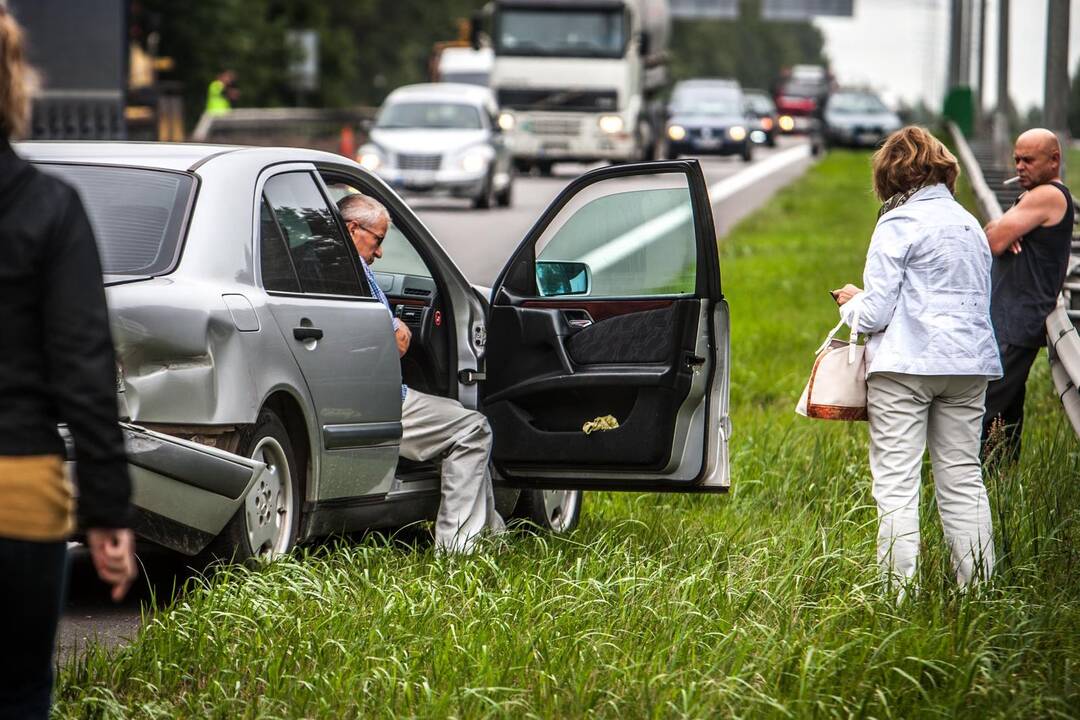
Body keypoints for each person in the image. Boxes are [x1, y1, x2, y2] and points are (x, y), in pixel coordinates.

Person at [0, 8, 137, 718]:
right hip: (18, 493)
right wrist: (108, 512)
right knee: (19, 692)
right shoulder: (49, 209)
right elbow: (85, 373)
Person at [832, 126, 1002, 594]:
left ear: (890, 176)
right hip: (969, 365)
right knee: (964, 480)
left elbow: (877, 311)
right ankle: (978, 590)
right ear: (943, 169)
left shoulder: (898, 223)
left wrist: (849, 302)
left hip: (907, 366)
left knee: (896, 486)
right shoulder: (969, 224)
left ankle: (897, 594)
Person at [337, 193, 505, 553]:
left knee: (463, 418)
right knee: (473, 429)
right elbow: (392, 344)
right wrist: (396, 327)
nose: (380, 252)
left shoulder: (320, 262)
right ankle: (459, 548)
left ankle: (494, 536)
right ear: (353, 230)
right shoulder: (350, 271)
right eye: (378, 239)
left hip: (349, 397)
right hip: (379, 401)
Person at [980, 129, 1074, 464]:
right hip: (1014, 316)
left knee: (986, 407)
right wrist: (1002, 227)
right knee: (1006, 408)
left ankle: (981, 480)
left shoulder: (1047, 194)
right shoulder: (1034, 194)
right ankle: (1001, 477)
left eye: (1028, 160)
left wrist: (1003, 228)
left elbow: (992, 242)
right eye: (1017, 159)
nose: (1019, 166)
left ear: (1053, 160)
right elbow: (996, 235)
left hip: (1018, 318)